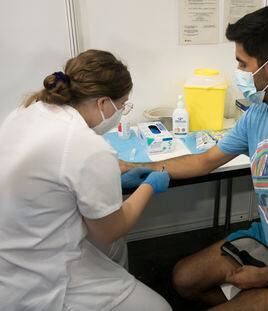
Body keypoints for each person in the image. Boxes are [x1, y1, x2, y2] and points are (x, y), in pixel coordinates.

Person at [121, 5, 268, 311]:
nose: (238, 74)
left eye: (242, 64)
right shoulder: (258, 114)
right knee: (183, 280)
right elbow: (204, 161)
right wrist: (140, 167)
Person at [0, 49, 171, 311]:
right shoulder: (87, 146)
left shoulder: (30, 110)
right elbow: (109, 231)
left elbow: (56, 173)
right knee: (159, 308)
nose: (121, 111)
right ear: (103, 103)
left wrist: (110, 180)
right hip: (41, 275)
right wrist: (150, 186)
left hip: (15, 242)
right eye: (122, 104)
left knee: (115, 252)